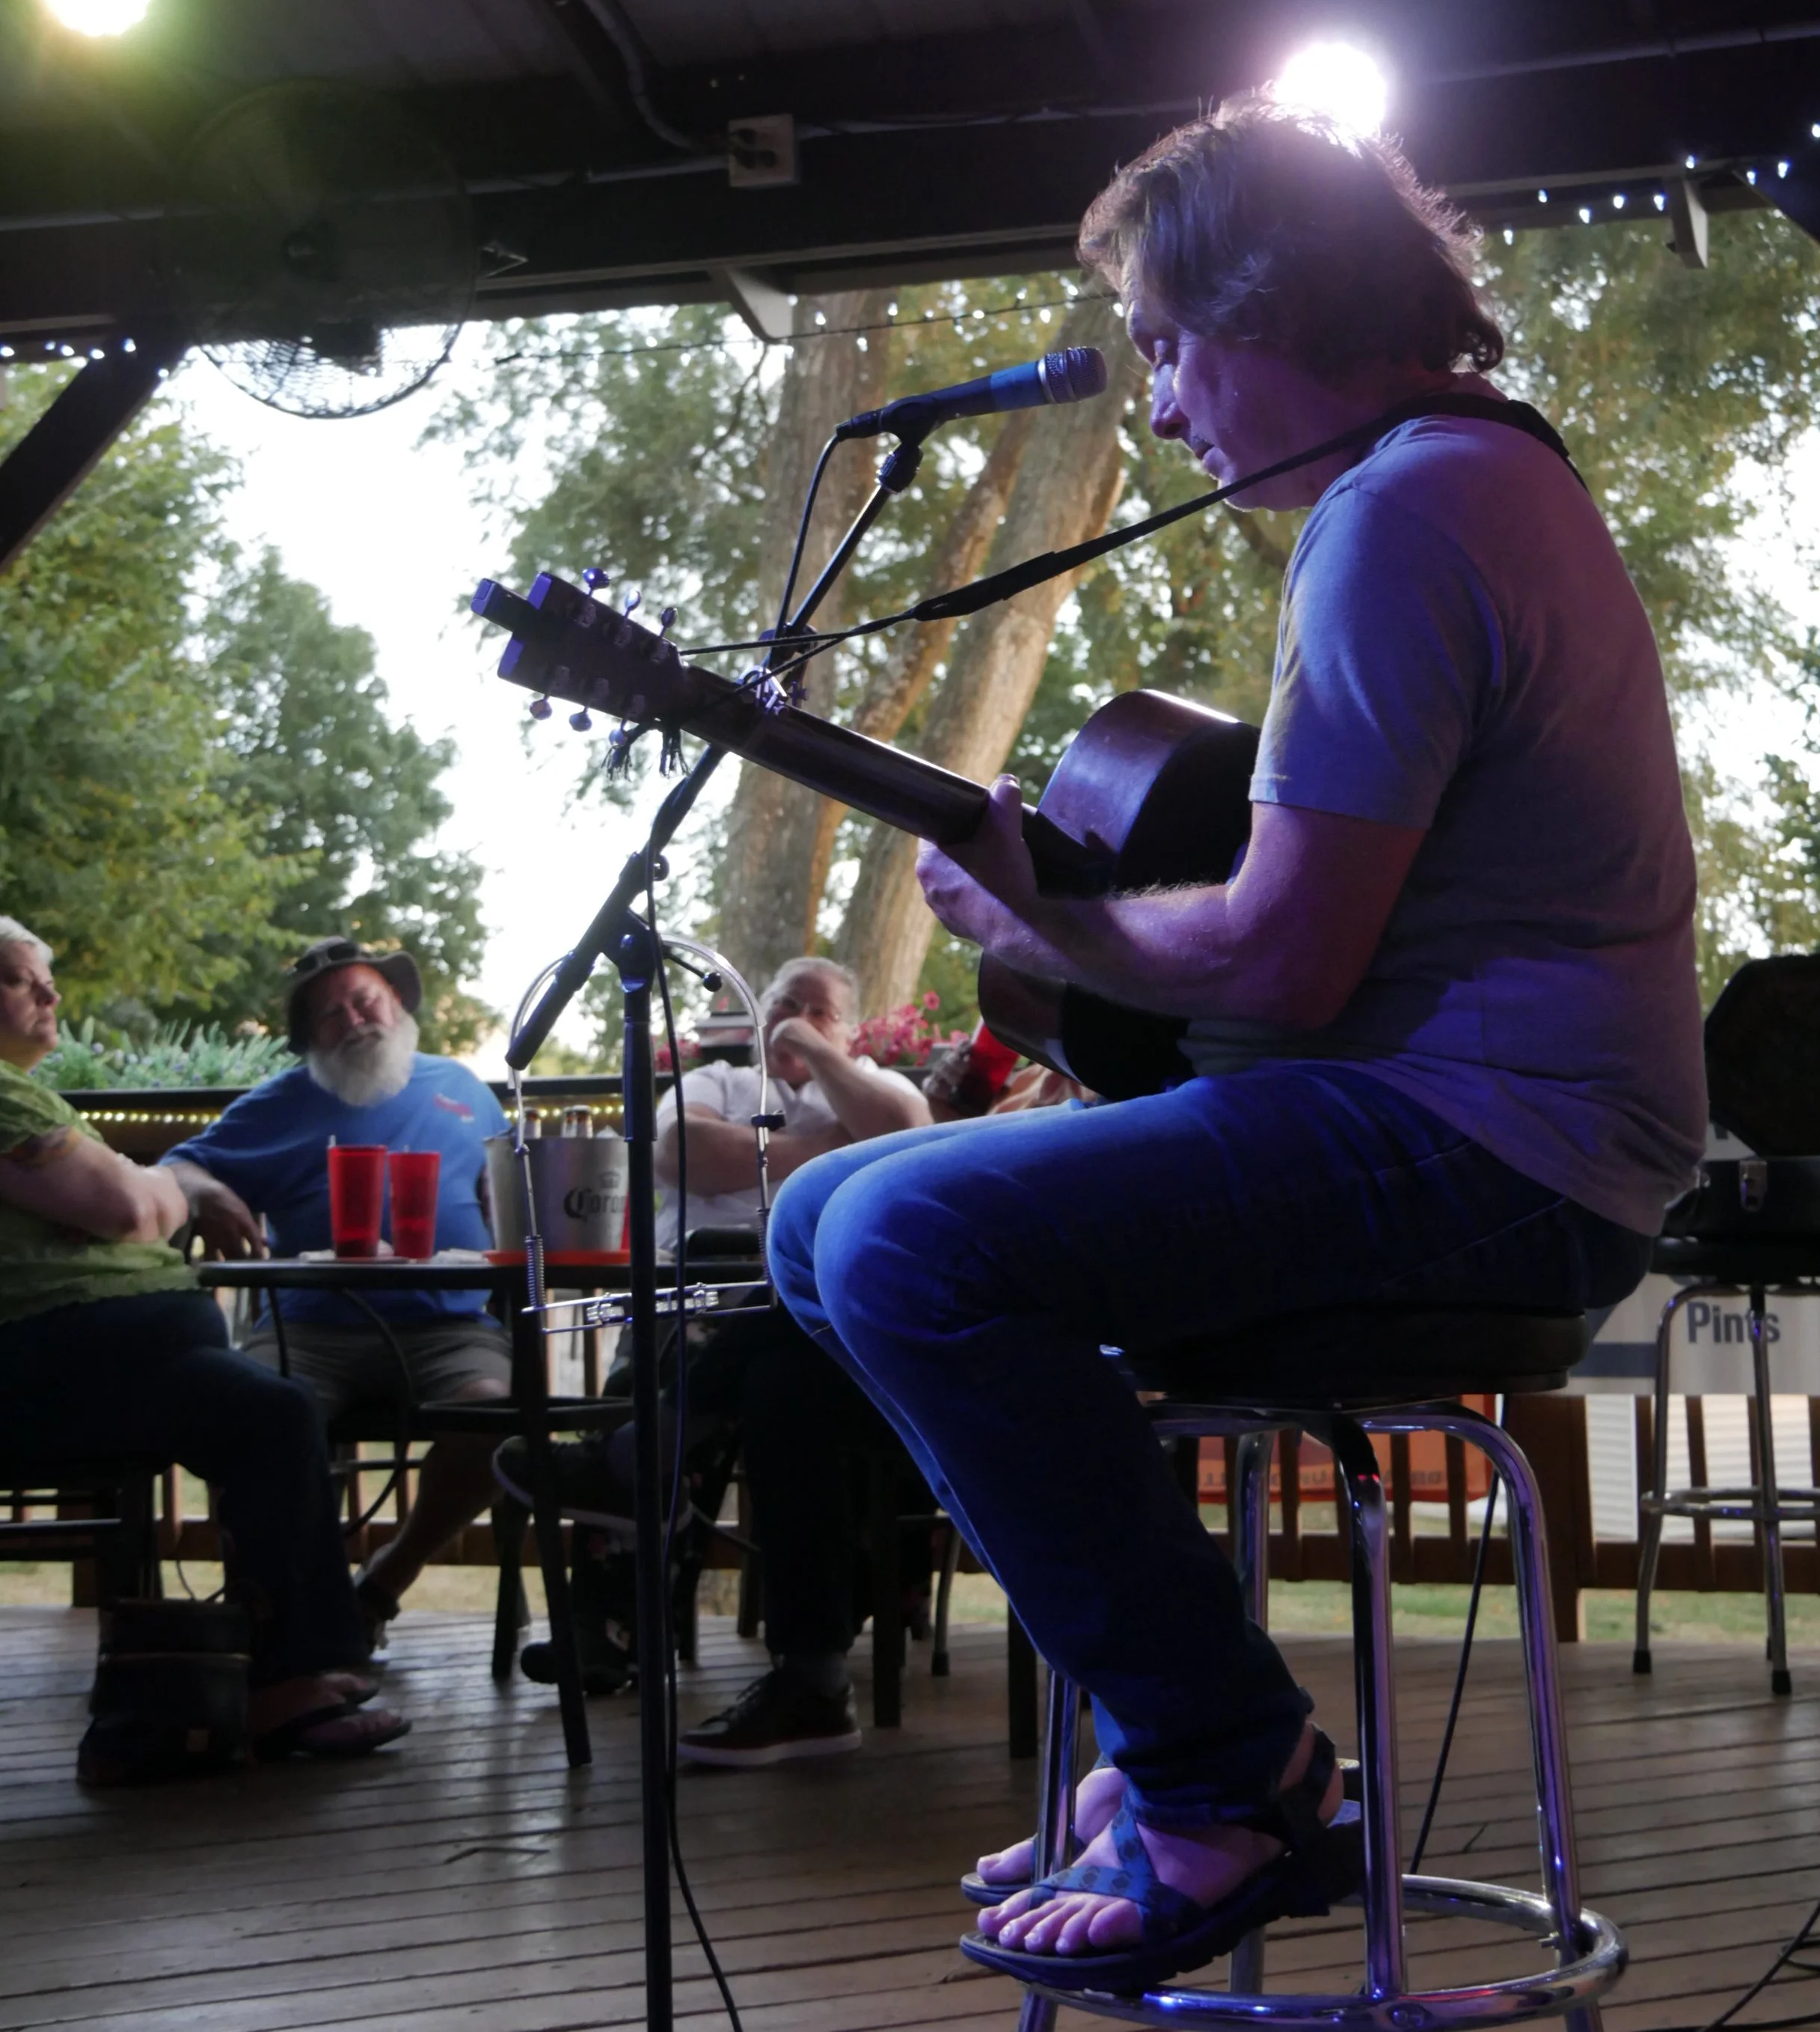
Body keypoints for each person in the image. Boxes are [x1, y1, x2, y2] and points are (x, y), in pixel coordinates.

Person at [763, 97, 1706, 1991]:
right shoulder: (1454, 481)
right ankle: (1181, 1728)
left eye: (1177, 342)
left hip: (1507, 1149)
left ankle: (1220, 1762)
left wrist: (1055, 927)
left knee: (899, 1239)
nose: (1170, 403)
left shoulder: (1412, 507)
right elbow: (1301, 955)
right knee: (821, 1217)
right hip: (1464, 1121)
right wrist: (1076, 945)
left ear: (1276, 300)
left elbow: (1282, 959)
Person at [496, 956, 933, 1762]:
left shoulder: (873, 1080)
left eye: (818, 1010)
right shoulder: (720, 1084)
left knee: (775, 1352)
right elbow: (681, 1156)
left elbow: (905, 1133)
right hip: (695, 1295)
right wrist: (829, 1152)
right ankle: (614, 1627)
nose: (795, 1019)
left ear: (853, 1029)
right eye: (781, 1005)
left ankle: (639, 1458)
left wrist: (813, 1078)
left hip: (824, 1311)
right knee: (726, 1375)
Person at [0, 920, 407, 1761]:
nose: (50, 994)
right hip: (42, 1361)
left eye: (46, 977)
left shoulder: (18, 1092)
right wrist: (158, 1191)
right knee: (272, 1412)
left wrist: (139, 1187)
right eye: (20, 980)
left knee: (269, 1408)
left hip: (94, 1354)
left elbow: (118, 1194)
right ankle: (289, 1682)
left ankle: (294, 1666)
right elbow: (132, 1208)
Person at [165, 936, 511, 1644]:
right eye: (329, 1015)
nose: (353, 1020)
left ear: (397, 1003)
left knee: (499, 1420)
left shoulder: (464, 1088)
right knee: (251, 1416)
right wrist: (208, 1195)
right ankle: (293, 1619)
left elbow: (509, 1186)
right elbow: (178, 1165)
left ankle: (381, 1584)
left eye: (364, 999)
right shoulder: (281, 1103)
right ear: (309, 1038)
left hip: (450, 1326)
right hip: (311, 1328)